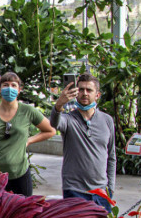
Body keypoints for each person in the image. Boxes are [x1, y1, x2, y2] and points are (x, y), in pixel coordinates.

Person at [0, 72, 56, 196]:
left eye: (14, 85)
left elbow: (50, 130)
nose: (9, 88)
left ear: (19, 90)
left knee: (24, 211)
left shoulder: (28, 111)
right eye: (5, 85)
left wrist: (29, 140)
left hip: (20, 173)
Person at [49, 74, 116, 209]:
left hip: (101, 191)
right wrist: (59, 104)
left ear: (97, 95)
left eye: (89, 90)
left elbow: (111, 156)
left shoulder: (107, 120)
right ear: (76, 93)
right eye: (81, 89)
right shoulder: (68, 120)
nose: (84, 93)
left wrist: (111, 188)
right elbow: (54, 123)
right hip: (75, 190)